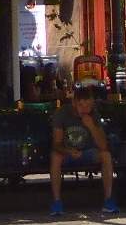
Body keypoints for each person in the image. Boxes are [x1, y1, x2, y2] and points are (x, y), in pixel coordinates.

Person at [48, 83, 117, 216]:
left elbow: (103, 145)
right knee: (55, 157)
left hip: (88, 152)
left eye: (89, 106)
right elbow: (56, 144)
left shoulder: (93, 115)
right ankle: (57, 202)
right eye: (81, 105)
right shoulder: (62, 114)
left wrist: (91, 126)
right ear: (74, 103)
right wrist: (68, 151)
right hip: (67, 153)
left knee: (106, 156)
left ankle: (108, 200)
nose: (85, 109)